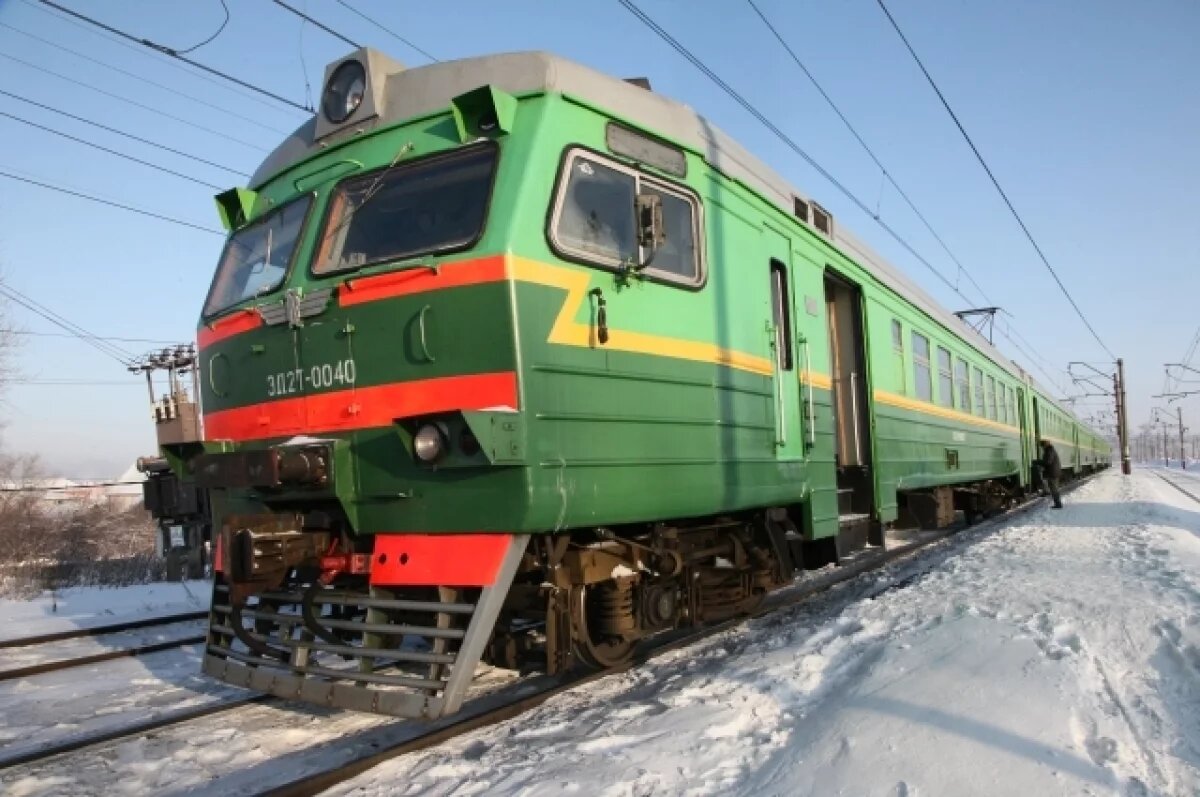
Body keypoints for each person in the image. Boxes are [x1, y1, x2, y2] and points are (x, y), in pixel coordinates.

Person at [1040, 439, 1063, 509]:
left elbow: (1048, 462)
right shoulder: (1050, 450)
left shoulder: (1049, 451)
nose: (1042, 448)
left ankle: (1058, 504)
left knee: (1054, 489)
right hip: (1053, 472)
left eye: (1042, 446)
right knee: (1054, 489)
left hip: (1052, 473)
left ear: (1045, 445)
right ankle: (1058, 503)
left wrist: (1037, 462)